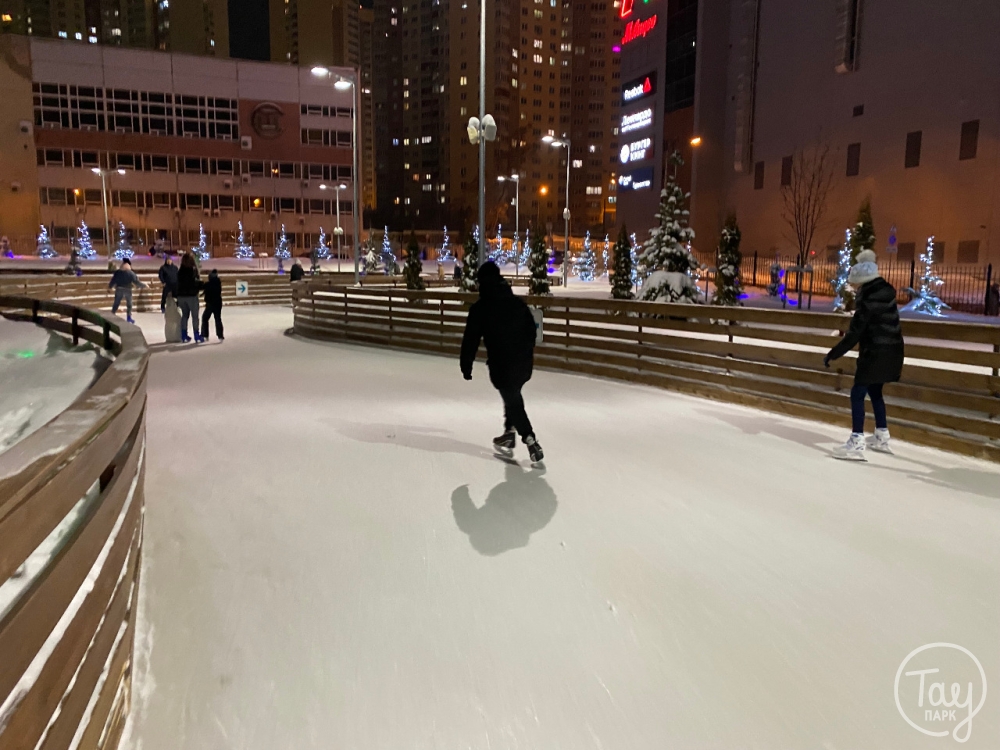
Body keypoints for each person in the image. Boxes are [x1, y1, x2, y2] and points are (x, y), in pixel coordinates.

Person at [460, 261, 543, 464]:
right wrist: (525, 350)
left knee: (512, 399)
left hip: (502, 364)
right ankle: (509, 433)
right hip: (523, 362)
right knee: (512, 394)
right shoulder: (517, 304)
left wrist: (466, 364)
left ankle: (530, 439)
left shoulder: (481, 308)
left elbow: (471, 339)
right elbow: (532, 331)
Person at [825, 249, 904, 460]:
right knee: (875, 390)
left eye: (858, 284)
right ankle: (881, 435)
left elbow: (855, 333)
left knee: (858, 393)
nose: (857, 288)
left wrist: (834, 353)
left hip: (875, 353)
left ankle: (857, 442)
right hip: (894, 351)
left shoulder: (867, 298)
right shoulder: (886, 292)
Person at [176, 252, 204, 343]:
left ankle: (184, 334)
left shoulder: (180, 271)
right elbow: (195, 283)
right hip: (191, 296)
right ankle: (196, 335)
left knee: (185, 315)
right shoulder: (193, 270)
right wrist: (201, 285)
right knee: (195, 316)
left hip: (181, 296)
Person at [108, 259, 146, 324]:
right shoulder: (131, 273)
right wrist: (144, 285)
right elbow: (136, 282)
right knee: (129, 304)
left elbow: (113, 280)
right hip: (127, 289)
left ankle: (112, 314)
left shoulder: (118, 272)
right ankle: (129, 317)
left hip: (119, 289)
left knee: (116, 303)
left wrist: (110, 287)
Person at [200, 269, 224, 341]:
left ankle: (205, 334)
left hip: (210, 304)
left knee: (205, 318)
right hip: (218, 303)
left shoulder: (208, 284)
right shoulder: (218, 283)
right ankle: (220, 335)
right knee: (218, 319)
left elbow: (202, 287)